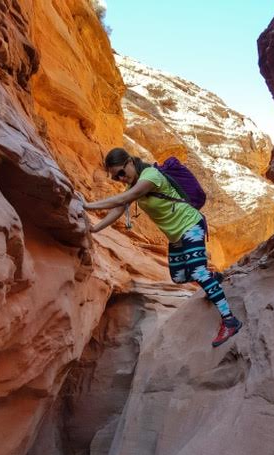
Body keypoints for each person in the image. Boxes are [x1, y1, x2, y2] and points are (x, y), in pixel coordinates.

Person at [82, 148, 242, 347]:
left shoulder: (150, 176)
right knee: (179, 277)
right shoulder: (133, 186)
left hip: (190, 225)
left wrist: (87, 206)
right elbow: (117, 210)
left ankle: (229, 321)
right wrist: (94, 228)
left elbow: (122, 199)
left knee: (197, 272)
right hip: (176, 236)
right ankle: (212, 279)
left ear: (130, 161)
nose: (121, 179)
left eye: (121, 173)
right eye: (116, 178)